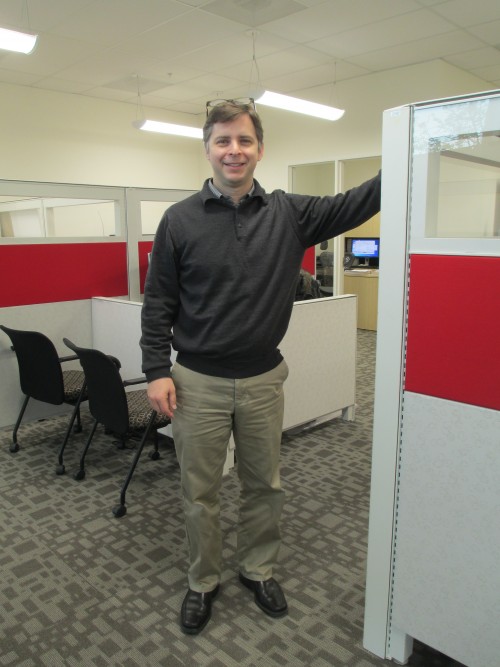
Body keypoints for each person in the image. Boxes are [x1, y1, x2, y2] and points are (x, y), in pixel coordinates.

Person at [140, 99, 381, 635]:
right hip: (196, 380)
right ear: (207, 149)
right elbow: (158, 301)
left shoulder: (289, 213)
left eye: (244, 140)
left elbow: (357, 201)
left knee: (263, 483)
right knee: (199, 489)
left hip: (263, 377)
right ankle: (203, 580)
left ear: (259, 149)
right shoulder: (178, 220)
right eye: (223, 141)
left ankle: (258, 569)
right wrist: (157, 369)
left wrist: (413, 151)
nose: (234, 150)